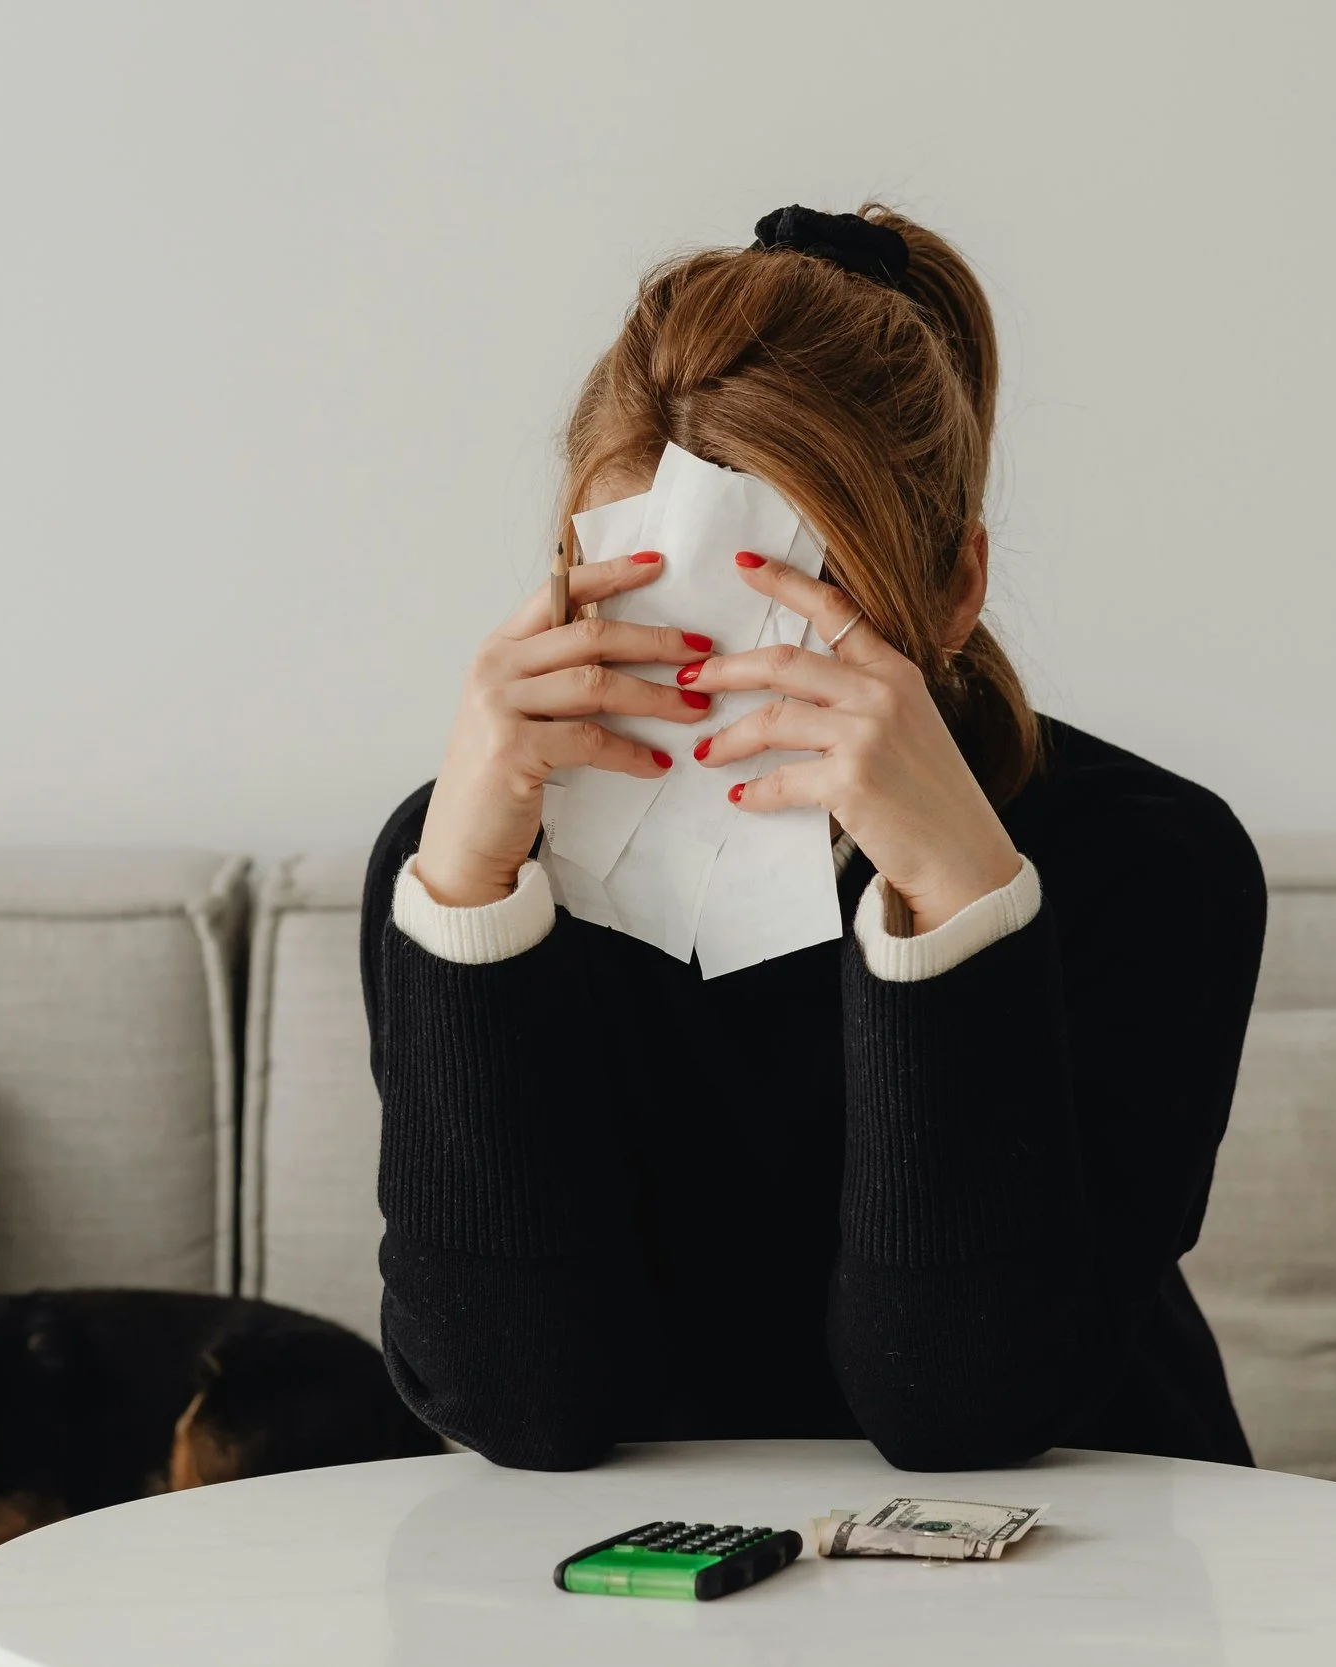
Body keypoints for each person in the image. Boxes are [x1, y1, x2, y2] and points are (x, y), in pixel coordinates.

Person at [361, 204, 1265, 1473]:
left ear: (953, 590)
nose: (723, 687)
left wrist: (956, 899)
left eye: (784, 614)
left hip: (1079, 1554)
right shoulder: (459, 860)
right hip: (643, 1575)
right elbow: (508, 1402)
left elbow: (967, 1408)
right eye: (650, 598)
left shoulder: (1152, 859)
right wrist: (466, 902)